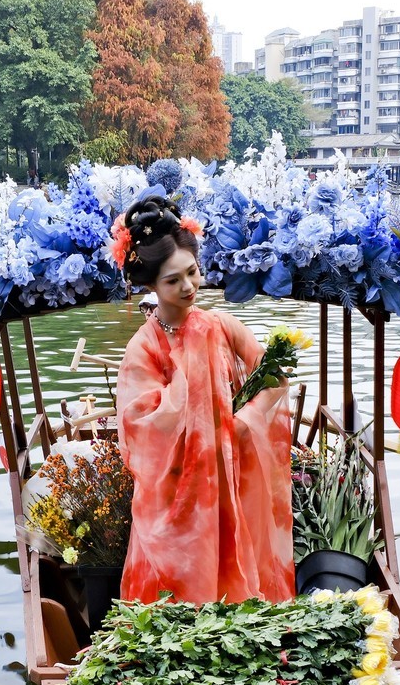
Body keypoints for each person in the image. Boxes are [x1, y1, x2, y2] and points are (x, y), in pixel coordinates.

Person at [113, 195, 295, 605]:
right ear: (151, 286)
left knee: (238, 573)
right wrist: (188, 383)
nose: (188, 287)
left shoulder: (221, 325)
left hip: (231, 470)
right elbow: (138, 423)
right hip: (175, 489)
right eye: (172, 281)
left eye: (192, 272)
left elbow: (276, 375)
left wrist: (246, 420)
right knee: (177, 585)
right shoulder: (143, 348)